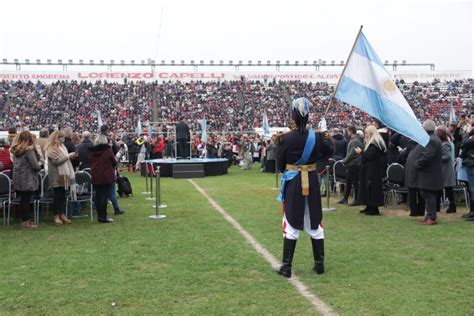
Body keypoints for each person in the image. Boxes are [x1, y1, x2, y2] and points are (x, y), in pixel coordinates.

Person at [276, 97, 332, 278]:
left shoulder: (286, 139)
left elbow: (279, 165)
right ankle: (319, 264)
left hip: (294, 184)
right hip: (313, 183)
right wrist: (326, 137)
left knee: (291, 223)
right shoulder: (316, 137)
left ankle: (286, 267)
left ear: (293, 115)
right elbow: (329, 152)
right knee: (314, 222)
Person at [411, 120, 443, 225]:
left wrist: (417, 164)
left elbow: (427, 156)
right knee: (428, 194)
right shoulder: (434, 138)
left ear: (425, 129)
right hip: (431, 173)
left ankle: (431, 217)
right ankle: (429, 215)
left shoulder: (431, 140)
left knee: (429, 195)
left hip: (429, 173)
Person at [45, 131, 78, 225]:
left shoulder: (63, 147)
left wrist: (71, 157)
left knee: (63, 196)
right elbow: (57, 162)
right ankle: (56, 215)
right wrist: (68, 156)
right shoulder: (51, 149)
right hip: (56, 175)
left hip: (64, 174)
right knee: (57, 196)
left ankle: (62, 214)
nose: (63, 139)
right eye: (61, 137)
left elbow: (64, 160)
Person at [10, 131, 42, 228]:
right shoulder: (28, 150)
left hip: (18, 176)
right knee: (26, 200)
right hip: (27, 177)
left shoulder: (15, 150)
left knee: (23, 199)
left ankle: (25, 219)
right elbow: (35, 166)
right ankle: (25, 222)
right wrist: (40, 164)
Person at [357, 125, 387, 215]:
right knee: (367, 188)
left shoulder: (374, 144)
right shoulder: (373, 143)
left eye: (366, 133)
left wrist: (361, 152)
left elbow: (370, 156)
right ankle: (368, 206)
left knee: (372, 189)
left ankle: (374, 208)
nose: (365, 135)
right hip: (369, 169)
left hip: (373, 171)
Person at [89, 135, 118, 223]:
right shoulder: (108, 150)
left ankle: (99, 216)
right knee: (104, 196)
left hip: (96, 174)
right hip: (106, 175)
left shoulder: (92, 151)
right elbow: (114, 161)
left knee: (98, 196)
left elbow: (90, 161)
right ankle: (104, 217)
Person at [338, 126, 363, 206]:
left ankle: (357, 200)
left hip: (354, 164)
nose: (346, 133)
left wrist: (345, 161)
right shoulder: (354, 140)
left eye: (347, 131)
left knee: (355, 183)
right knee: (348, 182)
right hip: (351, 164)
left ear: (351, 131)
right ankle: (345, 198)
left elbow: (352, 154)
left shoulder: (355, 141)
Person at [435, 126, 457, 213]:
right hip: (442, 170)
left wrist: (437, 158)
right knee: (439, 189)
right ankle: (437, 206)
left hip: (446, 170)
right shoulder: (441, 143)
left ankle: (452, 206)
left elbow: (447, 156)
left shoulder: (445, 144)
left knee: (448, 189)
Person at [403, 140, 425, 217]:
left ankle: (414, 211)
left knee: (412, 191)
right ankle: (420, 210)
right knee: (420, 191)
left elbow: (404, 154)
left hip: (412, 169)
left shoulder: (411, 143)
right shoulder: (423, 144)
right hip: (419, 169)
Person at [460, 120, 474, 221]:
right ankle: (472, 211)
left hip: (472, 164)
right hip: (470, 164)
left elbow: (463, 144)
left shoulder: (470, 137)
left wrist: (467, 132)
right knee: (471, 189)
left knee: (473, 189)